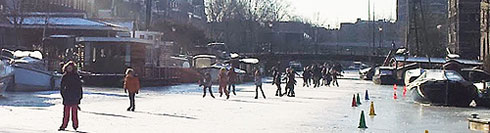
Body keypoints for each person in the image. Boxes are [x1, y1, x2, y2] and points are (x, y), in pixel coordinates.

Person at [59, 61, 83, 131]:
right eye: (68, 68)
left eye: (71, 68)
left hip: (75, 96)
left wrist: (79, 97)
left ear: (73, 68)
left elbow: (79, 87)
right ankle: (63, 126)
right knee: (66, 114)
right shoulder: (65, 76)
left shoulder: (76, 76)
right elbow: (62, 87)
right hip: (67, 96)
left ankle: (75, 125)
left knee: (74, 114)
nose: (69, 69)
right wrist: (63, 95)